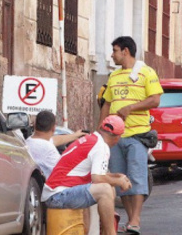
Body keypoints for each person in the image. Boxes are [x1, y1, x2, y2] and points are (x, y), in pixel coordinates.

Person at [98, 36, 163, 235]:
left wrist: (130, 108)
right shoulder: (114, 76)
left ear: (125, 51)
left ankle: (135, 219)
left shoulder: (146, 72)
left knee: (137, 178)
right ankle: (130, 219)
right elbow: (107, 104)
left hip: (137, 135)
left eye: (115, 51)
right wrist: (101, 131)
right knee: (119, 179)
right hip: (114, 137)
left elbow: (155, 100)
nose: (112, 55)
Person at [41, 115, 131, 235]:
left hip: (57, 192)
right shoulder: (101, 147)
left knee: (108, 187)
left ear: (101, 128)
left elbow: (99, 175)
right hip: (57, 195)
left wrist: (117, 177)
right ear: (118, 137)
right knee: (104, 190)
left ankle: (101, 231)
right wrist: (119, 181)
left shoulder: (92, 139)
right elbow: (97, 178)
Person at [25, 111, 85, 178]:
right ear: (54, 128)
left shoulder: (29, 140)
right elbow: (65, 172)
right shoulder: (48, 148)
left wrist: (75, 135)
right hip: (51, 186)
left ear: (35, 125)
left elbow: (55, 140)